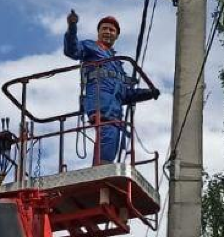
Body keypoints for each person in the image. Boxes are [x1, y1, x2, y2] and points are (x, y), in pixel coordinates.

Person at [63, 10, 159, 163]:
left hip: (115, 110)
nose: (108, 32)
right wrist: (72, 27)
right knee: (107, 133)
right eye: (105, 29)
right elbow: (72, 50)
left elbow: (125, 94)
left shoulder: (117, 63)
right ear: (99, 32)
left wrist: (148, 93)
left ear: (116, 35)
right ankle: (101, 175)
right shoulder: (91, 47)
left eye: (112, 30)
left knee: (114, 138)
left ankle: (104, 172)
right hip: (99, 102)